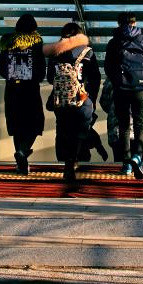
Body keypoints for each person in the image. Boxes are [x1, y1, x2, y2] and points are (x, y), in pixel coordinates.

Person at [45, 23, 101, 183]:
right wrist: (92, 98)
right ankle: (76, 160)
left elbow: (50, 78)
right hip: (82, 99)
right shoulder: (87, 52)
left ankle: (65, 161)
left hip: (61, 99)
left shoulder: (55, 52)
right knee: (81, 131)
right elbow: (95, 77)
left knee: (63, 130)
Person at [105, 12, 143, 180]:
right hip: (140, 88)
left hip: (121, 89)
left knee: (124, 126)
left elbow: (108, 67)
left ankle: (126, 164)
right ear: (135, 22)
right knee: (140, 125)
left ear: (118, 23)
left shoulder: (114, 42)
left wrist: (117, 81)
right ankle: (137, 157)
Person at [0, 14, 46, 175]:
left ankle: (21, 165)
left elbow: (1, 68)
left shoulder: (8, 43)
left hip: (12, 91)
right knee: (34, 123)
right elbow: (41, 69)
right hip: (30, 90)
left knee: (17, 126)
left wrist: (13, 77)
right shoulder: (36, 44)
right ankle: (23, 151)